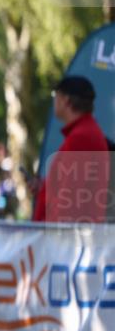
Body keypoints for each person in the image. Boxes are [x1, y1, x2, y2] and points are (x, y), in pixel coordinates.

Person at [33, 76, 111, 223]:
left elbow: (69, 200)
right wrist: (45, 188)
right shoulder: (84, 133)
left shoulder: (82, 137)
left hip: (67, 239)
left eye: (55, 96)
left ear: (66, 100)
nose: (54, 101)